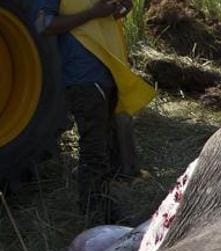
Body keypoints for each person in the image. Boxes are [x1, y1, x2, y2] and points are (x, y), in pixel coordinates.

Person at [36, 0, 154, 223]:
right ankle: (95, 212)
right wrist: (92, 13)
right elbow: (44, 24)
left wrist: (122, 7)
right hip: (83, 78)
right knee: (94, 149)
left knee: (107, 146)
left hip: (108, 72)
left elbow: (116, 11)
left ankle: (107, 205)